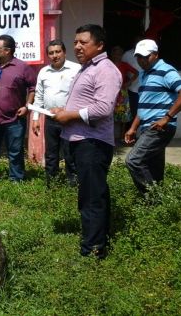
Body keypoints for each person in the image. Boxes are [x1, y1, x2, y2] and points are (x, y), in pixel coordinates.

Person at [53, 24, 122, 259]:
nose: (77, 46)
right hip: (81, 141)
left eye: (83, 42)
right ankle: (99, 239)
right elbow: (86, 103)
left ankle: (92, 250)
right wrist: (65, 110)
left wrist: (70, 115)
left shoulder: (106, 70)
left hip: (93, 143)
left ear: (99, 45)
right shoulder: (87, 69)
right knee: (95, 193)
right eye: (75, 42)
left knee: (92, 197)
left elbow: (103, 107)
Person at [124, 39, 181, 195]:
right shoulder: (143, 74)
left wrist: (167, 118)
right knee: (153, 167)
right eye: (138, 57)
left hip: (159, 127)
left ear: (156, 55)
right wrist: (133, 128)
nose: (141, 60)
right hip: (146, 126)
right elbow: (144, 104)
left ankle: (154, 198)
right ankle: (158, 207)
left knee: (133, 161)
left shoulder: (166, 71)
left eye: (145, 56)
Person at [0, 34, 36, 184]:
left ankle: (16, 178)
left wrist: (27, 106)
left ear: (7, 51)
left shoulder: (22, 67)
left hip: (14, 119)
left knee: (15, 151)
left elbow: (33, 87)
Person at [31, 40, 80, 186]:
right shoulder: (43, 72)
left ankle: (73, 185)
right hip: (50, 119)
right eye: (51, 53)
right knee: (51, 154)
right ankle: (52, 185)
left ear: (64, 52)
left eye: (58, 52)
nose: (55, 55)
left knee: (70, 154)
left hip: (69, 119)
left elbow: (81, 94)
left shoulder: (76, 69)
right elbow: (39, 96)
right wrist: (35, 118)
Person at [110, 45, 138, 141]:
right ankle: (111, 137)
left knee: (123, 116)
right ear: (112, 54)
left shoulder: (124, 65)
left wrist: (129, 82)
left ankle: (122, 137)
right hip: (110, 92)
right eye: (115, 53)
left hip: (122, 92)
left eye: (119, 54)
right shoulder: (108, 64)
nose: (117, 55)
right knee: (110, 114)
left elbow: (136, 73)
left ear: (122, 55)